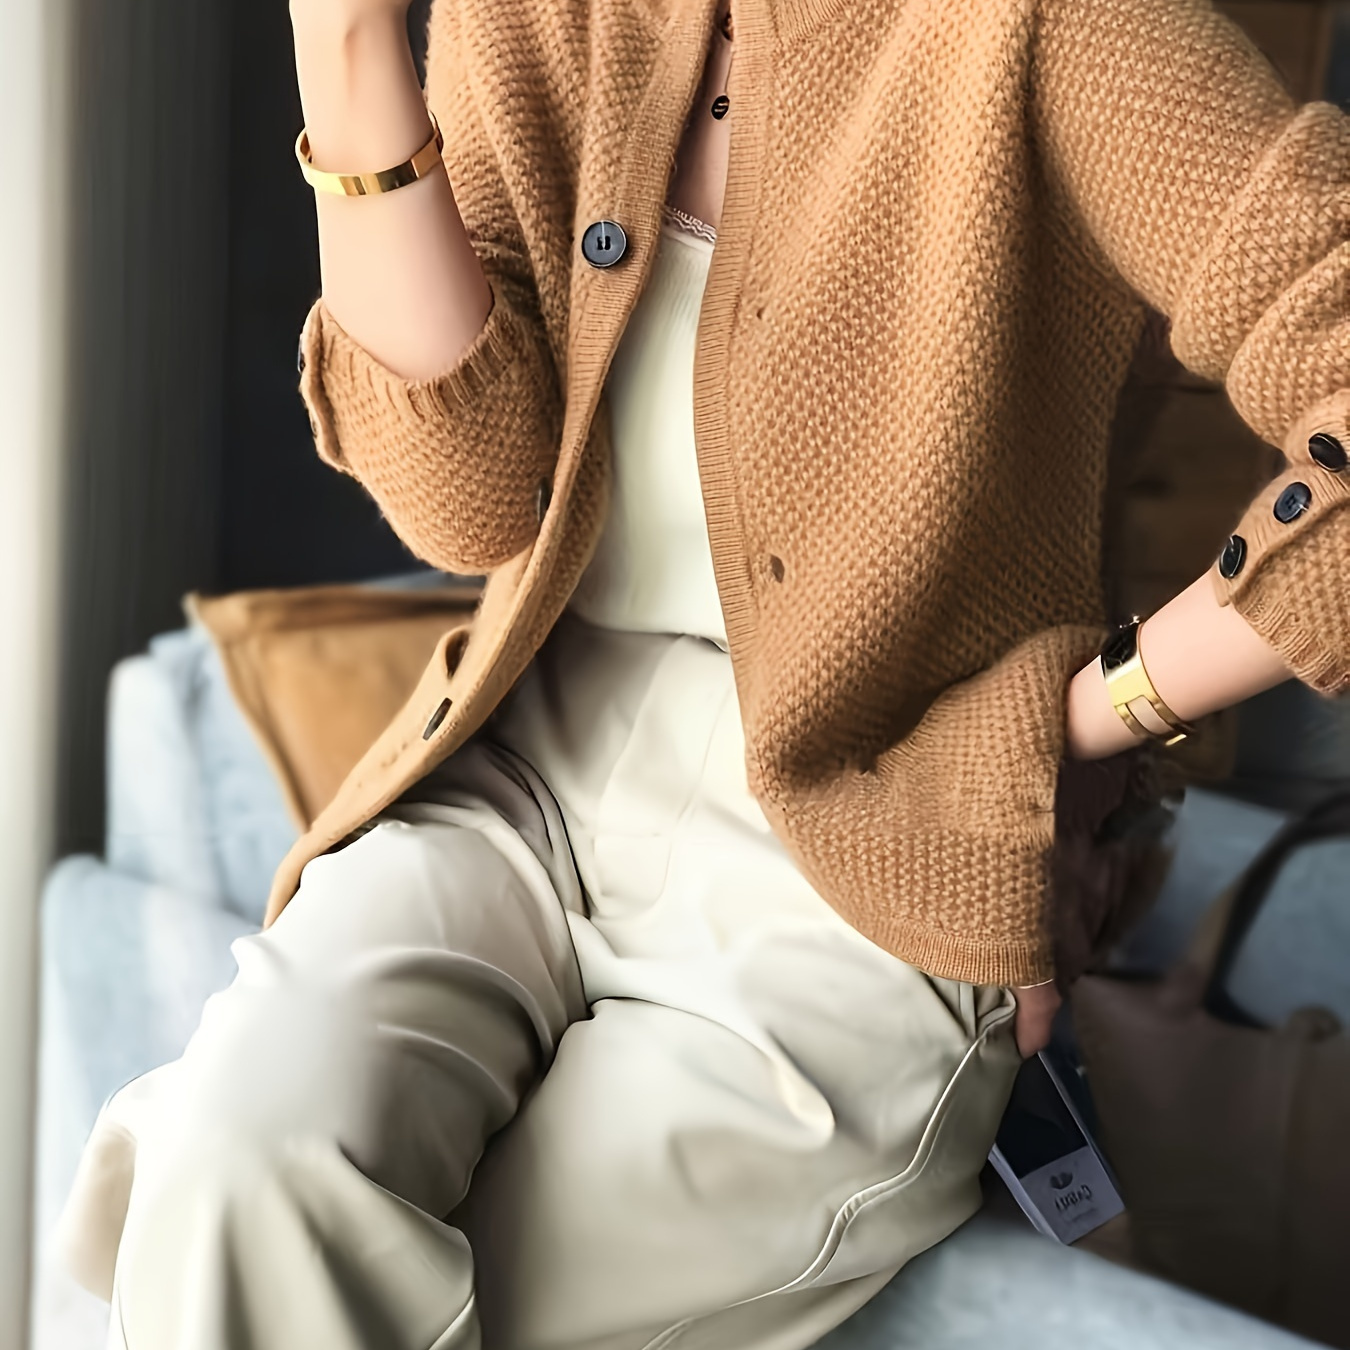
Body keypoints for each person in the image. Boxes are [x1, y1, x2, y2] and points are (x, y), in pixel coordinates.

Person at [58, 0, 1349, 1345]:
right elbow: (472, 500)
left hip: (876, 835)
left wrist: (1089, 719)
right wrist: (346, 49)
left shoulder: (1053, 21)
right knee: (231, 1168)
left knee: (289, 1280)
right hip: (521, 778)